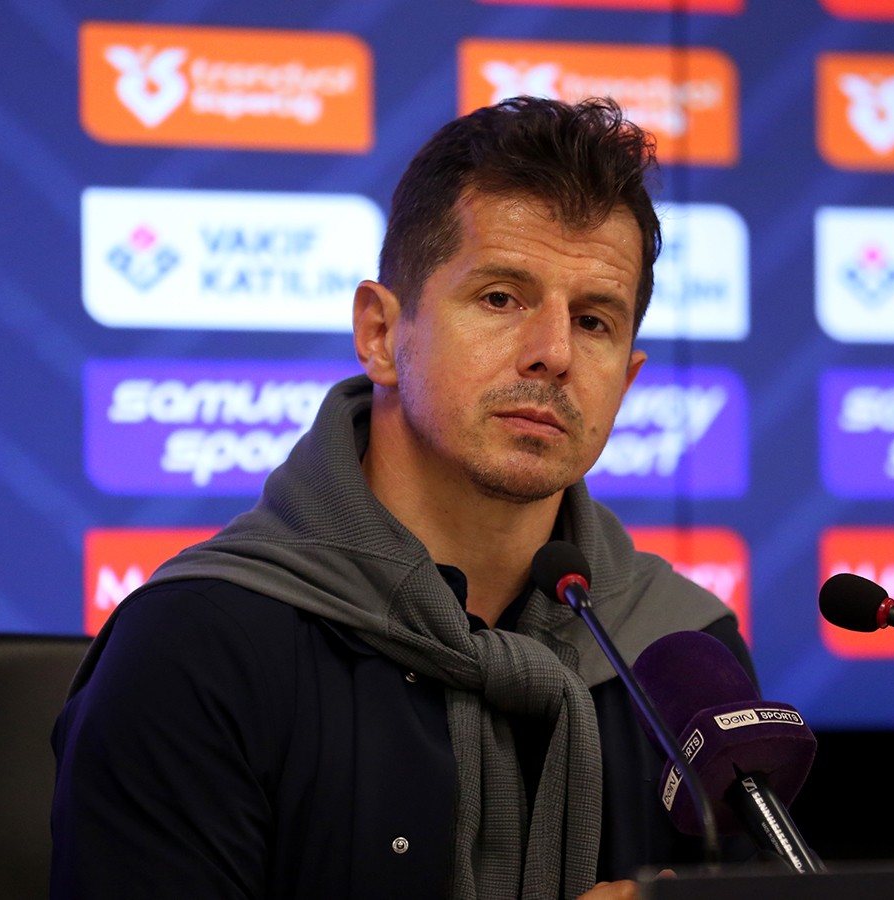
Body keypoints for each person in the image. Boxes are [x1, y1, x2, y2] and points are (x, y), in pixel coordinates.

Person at [50, 96, 753, 900]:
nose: (553, 353)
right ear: (381, 335)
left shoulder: (681, 655)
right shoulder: (196, 646)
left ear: (626, 382)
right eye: (501, 298)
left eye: (594, 321)